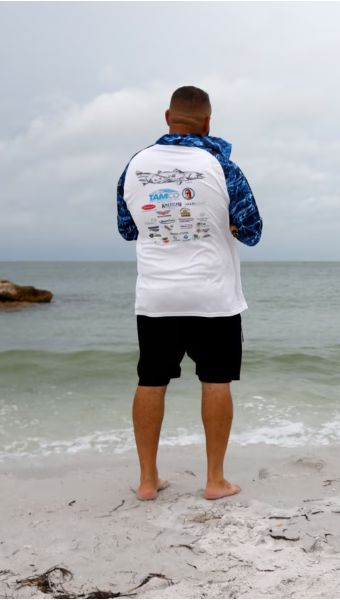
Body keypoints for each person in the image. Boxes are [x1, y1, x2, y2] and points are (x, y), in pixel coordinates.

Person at [116, 86, 263, 502]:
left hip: (157, 295)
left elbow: (127, 229)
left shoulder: (135, 165)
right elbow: (252, 231)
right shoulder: (222, 166)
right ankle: (215, 481)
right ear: (208, 122)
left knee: (151, 380)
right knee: (216, 381)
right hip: (212, 295)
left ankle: (148, 481)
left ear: (167, 117)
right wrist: (226, 225)